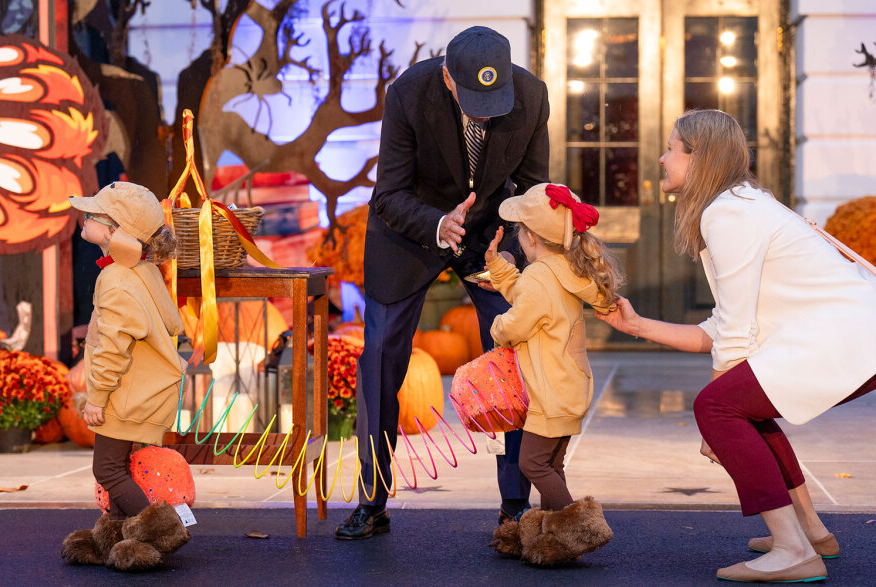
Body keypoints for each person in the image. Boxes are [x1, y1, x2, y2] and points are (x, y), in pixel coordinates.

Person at [596, 109, 876, 583]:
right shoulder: (741, 205)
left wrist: (716, 419)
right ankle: (809, 532)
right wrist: (638, 325)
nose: (662, 159)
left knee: (719, 406)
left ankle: (791, 551)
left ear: (699, 158)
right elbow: (724, 324)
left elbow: (734, 333)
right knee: (740, 407)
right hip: (855, 336)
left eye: (672, 149)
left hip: (852, 340)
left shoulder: (728, 213)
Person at [335, 26, 550, 540]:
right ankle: (373, 500)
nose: (484, 111)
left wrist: (523, 247)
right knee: (382, 353)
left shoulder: (532, 95)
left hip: (490, 235)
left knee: (513, 353)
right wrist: (438, 224)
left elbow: (534, 187)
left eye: (492, 101)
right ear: (448, 78)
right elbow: (387, 194)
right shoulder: (408, 93)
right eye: (474, 99)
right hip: (411, 229)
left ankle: (514, 507)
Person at [483, 183, 619, 566]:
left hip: (550, 392)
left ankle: (578, 532)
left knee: (532, 464)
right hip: (568, 387)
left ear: (530, 238)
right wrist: (498, 267)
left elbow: (515, 323)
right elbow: (525, 294)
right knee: (552, 465)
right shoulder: (559, 270)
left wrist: (496, 327)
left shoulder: (539, 277)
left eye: (519, 232)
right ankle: (547, 535)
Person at [61, 182, 191, 571]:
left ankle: (162, 532)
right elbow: (171, 322)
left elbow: (112, 348)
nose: (85, 217)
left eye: (94, 214)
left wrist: (96, 397)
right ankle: (117, 539)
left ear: (116, 231)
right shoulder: (142, 270)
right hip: (144, 389)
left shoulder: (116, 279)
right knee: (118, 467)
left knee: (108, 469)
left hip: (124, 393)